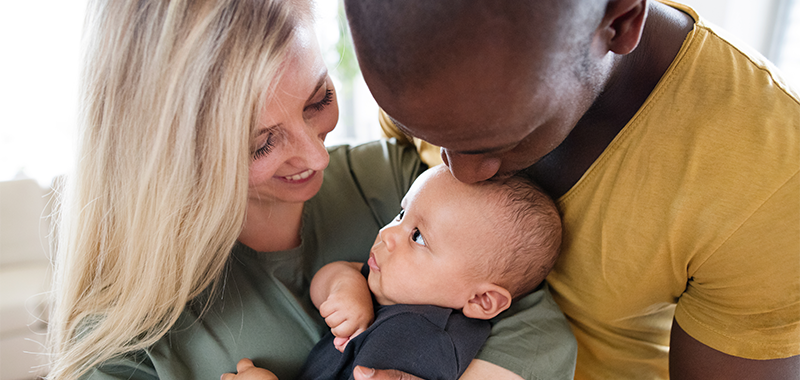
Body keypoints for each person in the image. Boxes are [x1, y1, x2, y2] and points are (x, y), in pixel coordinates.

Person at [47, 1, 577, 380]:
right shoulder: (126, 341)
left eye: (318, 98)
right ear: (169, 153)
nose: (317, 157)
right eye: (260, 145)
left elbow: (536, 327)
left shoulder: (405, 185)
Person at [343, 0, 800, 379]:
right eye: (425, 131)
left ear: (619, 22)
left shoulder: (771, 177)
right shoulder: (425, 58)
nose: (459, 172)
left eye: (499, 141)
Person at [294, 165, 561, 380]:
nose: (387, 233)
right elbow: (331, 275)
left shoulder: (425, 342)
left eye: (418, 237)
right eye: (401, 214)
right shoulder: (387, 283)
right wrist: (345, 287)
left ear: (481, 300)